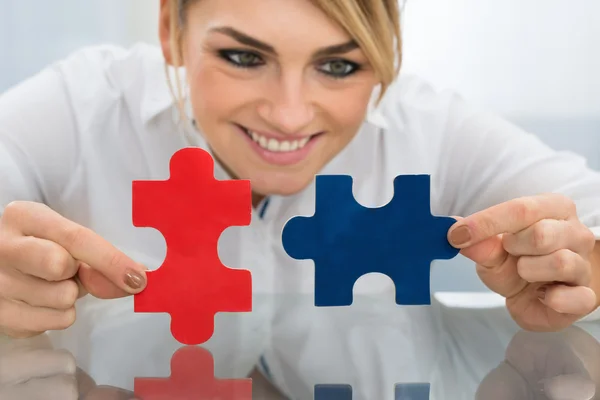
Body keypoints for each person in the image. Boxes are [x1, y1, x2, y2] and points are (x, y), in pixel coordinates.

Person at [1, 0, 600, 395]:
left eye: (338, 67)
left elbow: (588, 220)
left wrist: (583, 266)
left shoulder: (428, 125)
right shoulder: (80, 107)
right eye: (243, 57)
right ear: (170, 31)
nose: (288, 114)